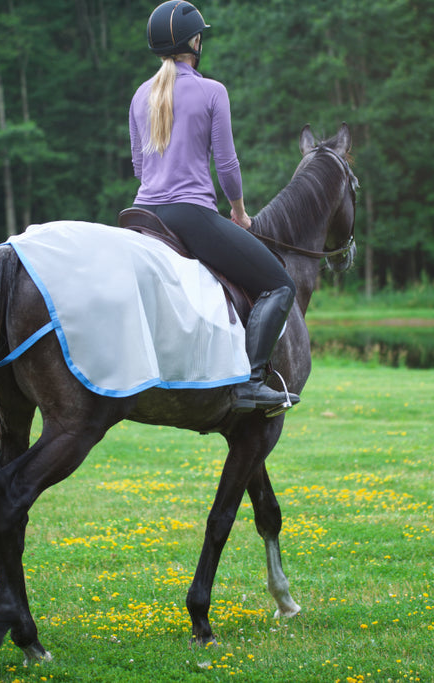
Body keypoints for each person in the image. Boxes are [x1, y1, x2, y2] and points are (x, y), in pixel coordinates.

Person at [129, 0, 299, 415]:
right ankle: (251, 384)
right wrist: (239, 213)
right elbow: (226, 164)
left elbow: (138, 164)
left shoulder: (139, 96)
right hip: (189, 217)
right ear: (195, 41)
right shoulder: (211, 91)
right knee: (280, 286)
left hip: (140, 217)